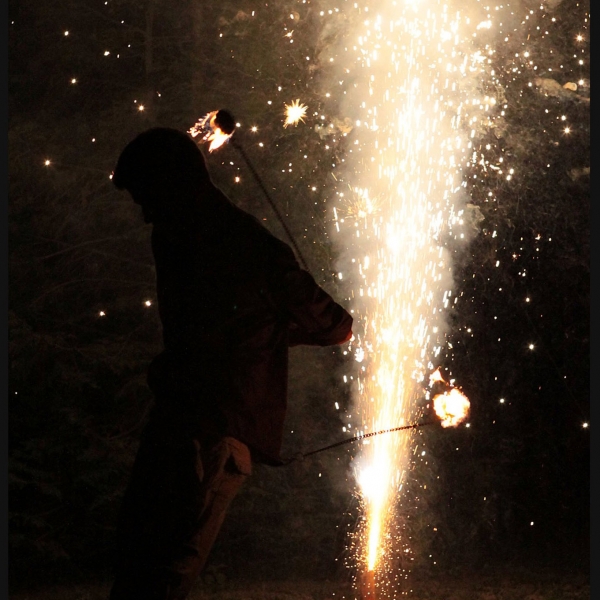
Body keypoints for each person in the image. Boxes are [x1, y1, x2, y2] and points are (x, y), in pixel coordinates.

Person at [109, 127, 353, 599]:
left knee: (146, 558)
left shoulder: (180, 237)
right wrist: (333, 322)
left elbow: (234, 322)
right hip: (213, 425)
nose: (144, 213)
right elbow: (331, 326)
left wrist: (286, 324)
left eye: (146, 195)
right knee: (165, 564)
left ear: (172, 184)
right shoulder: (245, 244)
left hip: (193, 422)